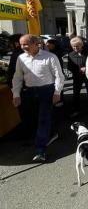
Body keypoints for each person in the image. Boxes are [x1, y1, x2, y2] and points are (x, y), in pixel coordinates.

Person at [12, 34, 64, 162]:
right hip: (29, 92)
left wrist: (57, 92)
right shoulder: (21, 58)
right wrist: (16, 94)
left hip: (46, 91)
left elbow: (59, 76)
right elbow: (17, 77)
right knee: (33, 118)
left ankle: (41, 150)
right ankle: (48, 135)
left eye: (25, 44)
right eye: (21, 44)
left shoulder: (50, 57)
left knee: (43, 119)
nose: (22, 47)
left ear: (36, 44)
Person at [68, 36, 88, 117]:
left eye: (77, 46)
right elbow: (70, 67)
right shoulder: (70, 55)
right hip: (77, 76)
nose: (75, 48)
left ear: (81, 45)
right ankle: (76, 109)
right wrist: (78, 70)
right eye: (73, 46)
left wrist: (86, 68)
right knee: (76, 93)